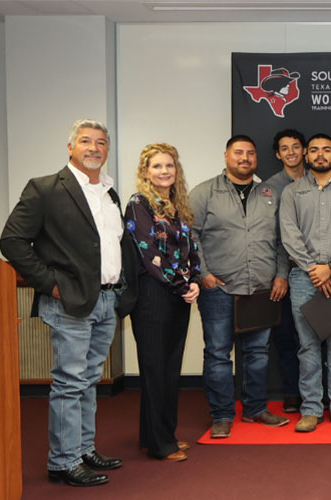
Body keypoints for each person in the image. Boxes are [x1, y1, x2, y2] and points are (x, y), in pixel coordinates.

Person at [0, 118, 137, 487]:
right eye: (86, 141)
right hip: (68, 302)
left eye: (101, 142)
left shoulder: (109, 192)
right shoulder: (45, 188)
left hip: (106, 300)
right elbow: (12, 241)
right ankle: (63, 461)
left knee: (89, 381)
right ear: (70, 147)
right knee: (70, 382)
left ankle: (83, 449)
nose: (94, 148)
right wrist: (50, 284)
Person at [190, 135, 290, 439]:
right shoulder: (204, 193)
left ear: (256, 159)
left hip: (261, 287)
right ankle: (221, 415)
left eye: (250, 153)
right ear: (226, 156)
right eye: (238, 153)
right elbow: (189, 235)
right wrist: (203, 274)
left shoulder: (270, 193)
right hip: (218, 289)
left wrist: (281, 274)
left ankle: (255, 409)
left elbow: (282, 240)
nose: (244, 158)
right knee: (219, 354)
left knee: (258, 353)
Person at [280, 133, 331, 433]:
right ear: (306, 155)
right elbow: (289, 235)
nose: (320, 155)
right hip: (303, 278)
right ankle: (311, 409)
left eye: (326, 150)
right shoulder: (292, 192)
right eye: (314, 150)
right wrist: (313, 269)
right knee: (307, 345)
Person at [125, 143, 199, 462]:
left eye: (169, 165)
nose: (164, 171)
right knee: (155, 369)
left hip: (178, 293)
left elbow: (190, 248)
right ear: (145, 172)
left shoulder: (176, 204)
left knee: (169, 369)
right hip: (152, 294)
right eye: (157, 166)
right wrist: (183, 285)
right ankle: (160, 444)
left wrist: (194, 280)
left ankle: (159, 434)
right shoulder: (138, 204)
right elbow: (150, 253)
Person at [264, 129, 307, 413]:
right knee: (286, 336)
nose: (291, 152)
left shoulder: (320, 180)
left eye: (295, 146)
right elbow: (275, 236)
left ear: (304, 150)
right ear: (278, 154)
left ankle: (320, 392)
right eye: (284, 148)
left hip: (315, 272)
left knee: (319, 335)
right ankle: (292, 392)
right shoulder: (269, 188)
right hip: (283, 272)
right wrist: (281, 273)